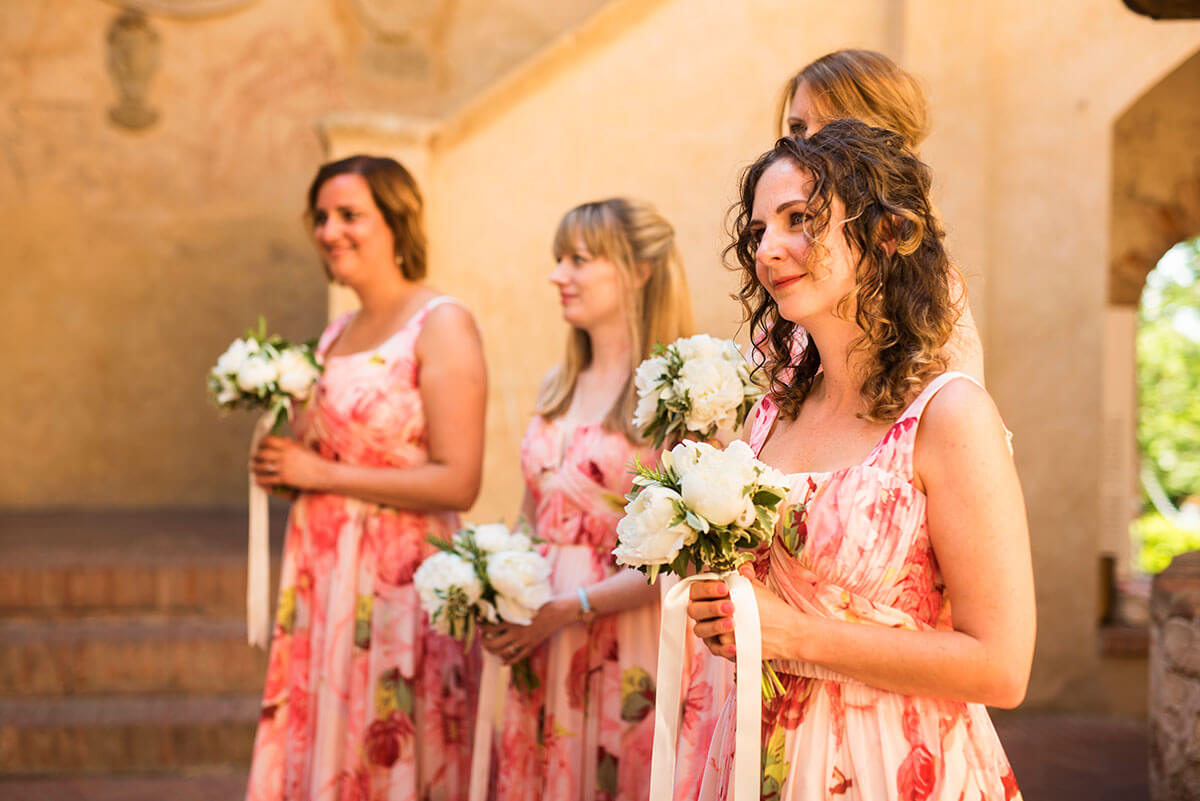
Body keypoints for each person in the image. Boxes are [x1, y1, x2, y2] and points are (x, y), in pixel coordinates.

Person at [686, 122, 1034, 800]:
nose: (769, 249)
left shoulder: (946, 414)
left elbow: (1002, 665)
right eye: (758, 230)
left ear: (881, 234)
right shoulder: (768, 415)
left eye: (799, 220)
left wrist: (794, 633)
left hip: (892, 763)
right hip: (758, 756)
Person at [245, 155, 487, 801]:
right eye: (321, 218)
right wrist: (284, 468)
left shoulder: (441, 323)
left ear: (396, 220)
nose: (330, 231)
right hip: (323, 580)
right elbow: (322, 457)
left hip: (396, 584)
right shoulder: (334, 334)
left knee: (388, 749)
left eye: (350, 215)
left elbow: (459, 481)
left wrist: (320, 470)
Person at [480, 198, 723, 801]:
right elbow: (531, 513)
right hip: (541, 633)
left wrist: (570, 607)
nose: (558, 275)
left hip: (625, 637)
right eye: (557, 259)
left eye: (579, 260)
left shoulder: (682, 394)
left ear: (639, 270)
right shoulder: (557, 385)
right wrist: (495, 584)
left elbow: (685, 554)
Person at [774, 48, 985, 383]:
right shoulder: (785, 260)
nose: (808, 142)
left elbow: (954, 408)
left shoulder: (930, 285)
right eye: (798, 127)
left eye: (830, 127)